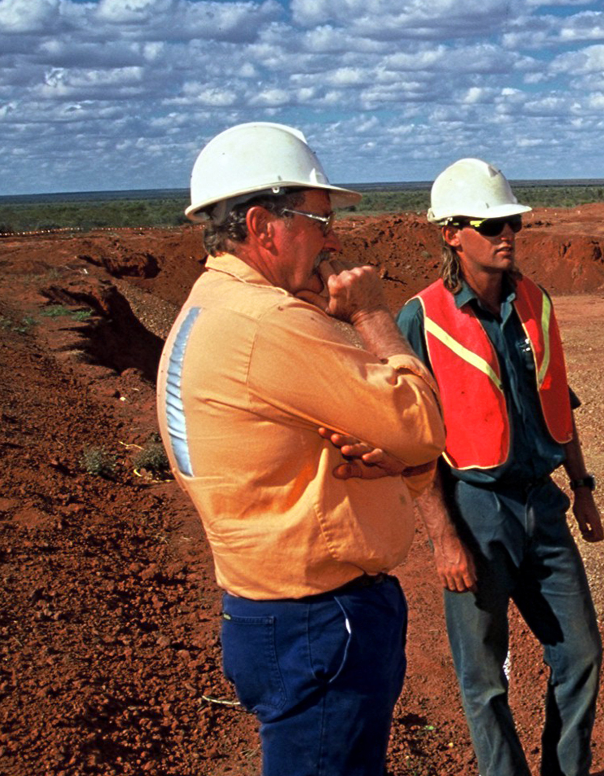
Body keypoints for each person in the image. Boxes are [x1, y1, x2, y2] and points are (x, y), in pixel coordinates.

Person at [154, 122, 446, 776]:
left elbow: (388, 446)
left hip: (270, 617)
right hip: (319, 624)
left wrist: (397, 459)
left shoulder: (211, 307)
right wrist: (370, 315)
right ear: (263, 226)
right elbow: (421, 422)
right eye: (320, 221)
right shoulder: (268, 324)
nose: (333, 239)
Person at [396, 158, 604, 776]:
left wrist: (582, 487)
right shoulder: (421, 317)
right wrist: (443, 538)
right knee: (484, 677)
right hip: (475, 508)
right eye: (490, 225)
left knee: (581, 654)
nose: (506, 234)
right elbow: (414, 443)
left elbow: (557, 400)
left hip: (542, 503)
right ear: (452, 234)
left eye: (512, 222)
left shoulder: (536, 302)